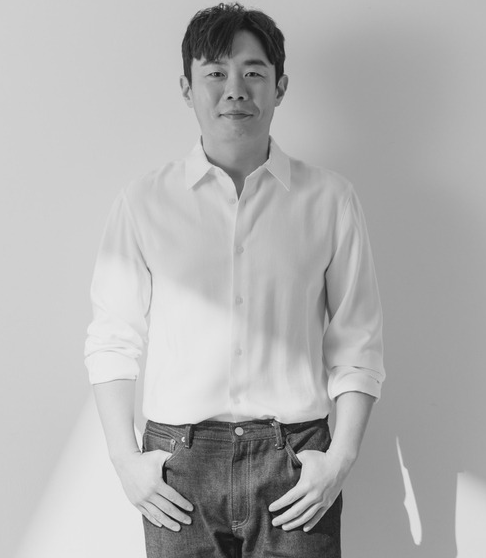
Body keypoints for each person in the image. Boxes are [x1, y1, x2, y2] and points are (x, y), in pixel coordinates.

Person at [84, 3, 385, 557]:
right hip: (179, 466)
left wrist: (340, 459)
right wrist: (124, 461)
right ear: (187, 87)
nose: (235, 90)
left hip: (295, 461)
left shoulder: (330, 200)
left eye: (253, 72)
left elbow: (358, 341)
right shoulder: (143, 202)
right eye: (216, 73)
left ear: (280, 86)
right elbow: (112, 339)